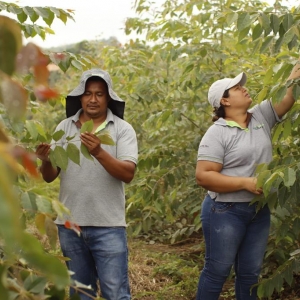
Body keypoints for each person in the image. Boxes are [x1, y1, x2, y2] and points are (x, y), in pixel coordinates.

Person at [195, 62, 300, 300]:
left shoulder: (260, 116)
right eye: (236, 88)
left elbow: (288, 94)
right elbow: (204, 175)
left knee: (250, 274)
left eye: (242, 85)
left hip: (257, 210)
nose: (243, 88)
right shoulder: (217, 132)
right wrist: (245, 183)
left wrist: (296, 71)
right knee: (217, 272)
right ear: (224, 101)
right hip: (225, 211)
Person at [36, 68, 138, 300]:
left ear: (108, 97)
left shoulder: (122, 129)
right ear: (80, 97)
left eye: (99, 94)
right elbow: (50, 175)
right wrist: (45, 160)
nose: (93, 99)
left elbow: (127, 173)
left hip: (109, 225)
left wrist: (99, 151)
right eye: (88, 93)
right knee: (81, 293)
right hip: (70, 226)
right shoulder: (64, 128)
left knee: (116, 293)